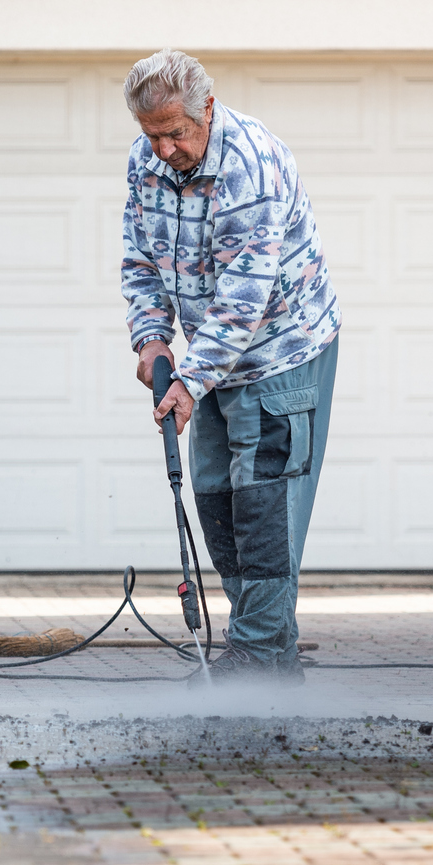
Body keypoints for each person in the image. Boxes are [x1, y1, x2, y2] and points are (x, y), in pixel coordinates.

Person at [119, 49, 341, 683]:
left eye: (176, 133)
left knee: (263, 500)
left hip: (280, 351)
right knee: (217, 495)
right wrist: (152, 339)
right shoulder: (147, 161)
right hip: (210, 359)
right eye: (151, 134)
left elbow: (247, 295)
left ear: (207, 110)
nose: (163, 149)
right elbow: (140, 257)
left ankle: (260, 654)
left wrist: (190, 377)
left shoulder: (251, 166)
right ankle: (266, 658)